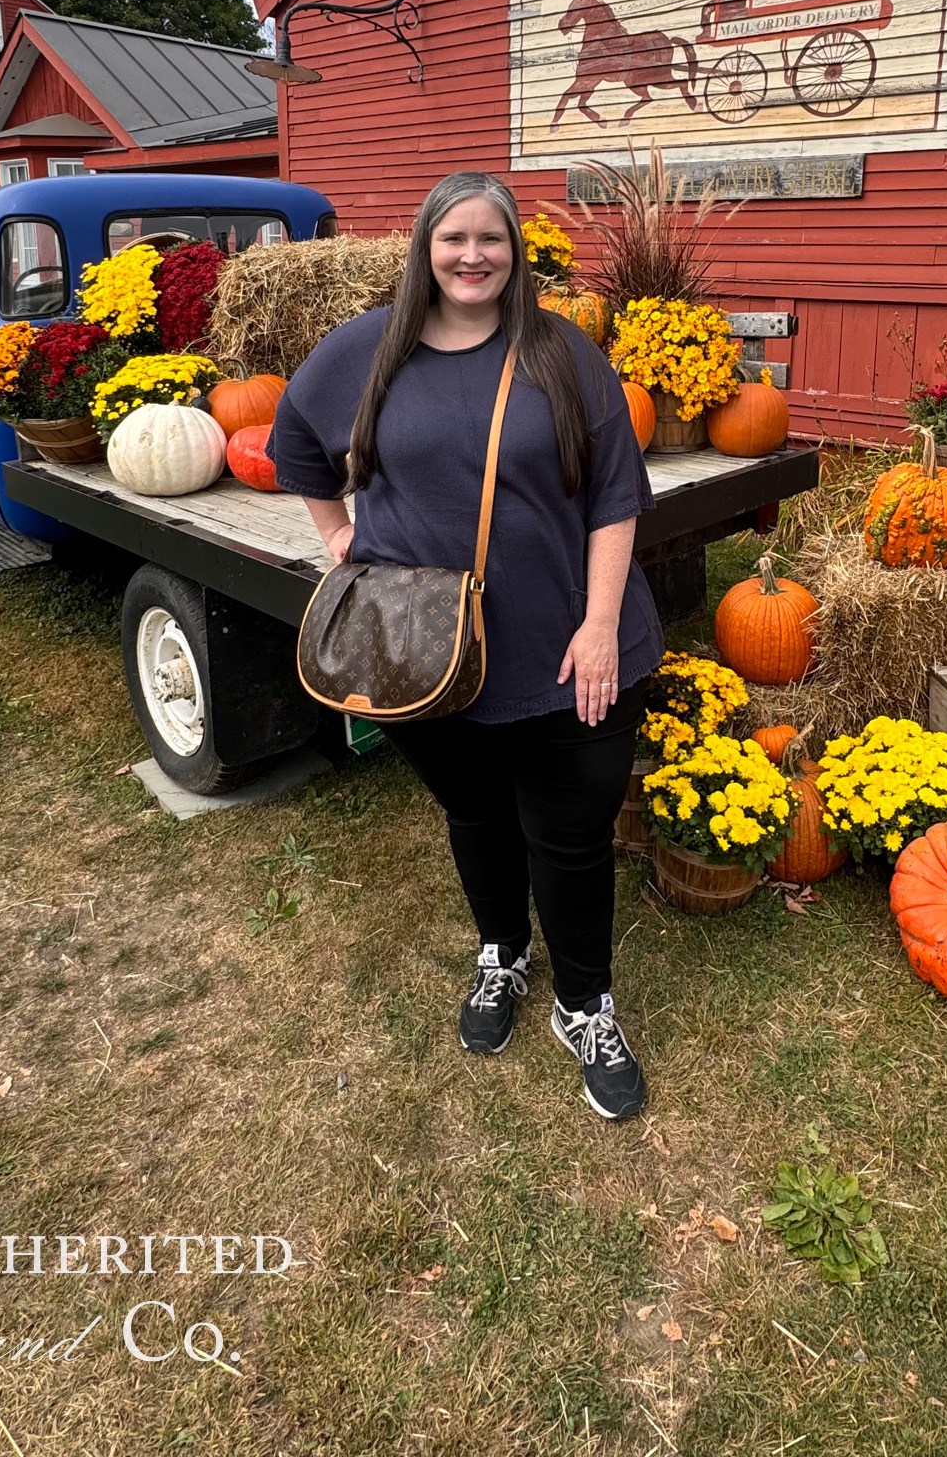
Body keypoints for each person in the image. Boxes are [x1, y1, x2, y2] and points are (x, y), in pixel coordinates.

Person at [270, 171, 663, 1121]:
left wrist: (601, 624)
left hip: (564, 645)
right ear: (425, 249)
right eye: (454, 240)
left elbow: (615, 494)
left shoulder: (562, 353)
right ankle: (503, 954)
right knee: (475, 812)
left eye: (492, 239)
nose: (473, 256)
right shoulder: (370, 351)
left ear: (515, 251)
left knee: (569, 836)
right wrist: (336, 536)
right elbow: (293, 441)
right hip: (420, 651)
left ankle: (586, 1004)